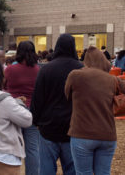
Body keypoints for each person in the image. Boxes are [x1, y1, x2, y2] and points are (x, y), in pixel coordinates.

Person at [31, 34, 83, 175]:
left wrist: (35, 120)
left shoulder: (46, 69)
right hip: (73, 127)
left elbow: (38, 98)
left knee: (46, 169)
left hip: (48, 126)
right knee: (72, 169)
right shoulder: (81, 69)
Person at [65, 46, 117, 175]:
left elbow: (67, 95)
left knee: (83, 172)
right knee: (104, 173)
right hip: (108, 134)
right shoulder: (112, 79)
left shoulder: (75, 75)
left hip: (82, 133)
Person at [4, 41, 40, 175]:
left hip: (13, 109)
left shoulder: (10, 69)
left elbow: (3, 86)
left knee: (12, 146)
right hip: (32, 110)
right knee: (32, 148)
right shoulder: (37, 70)